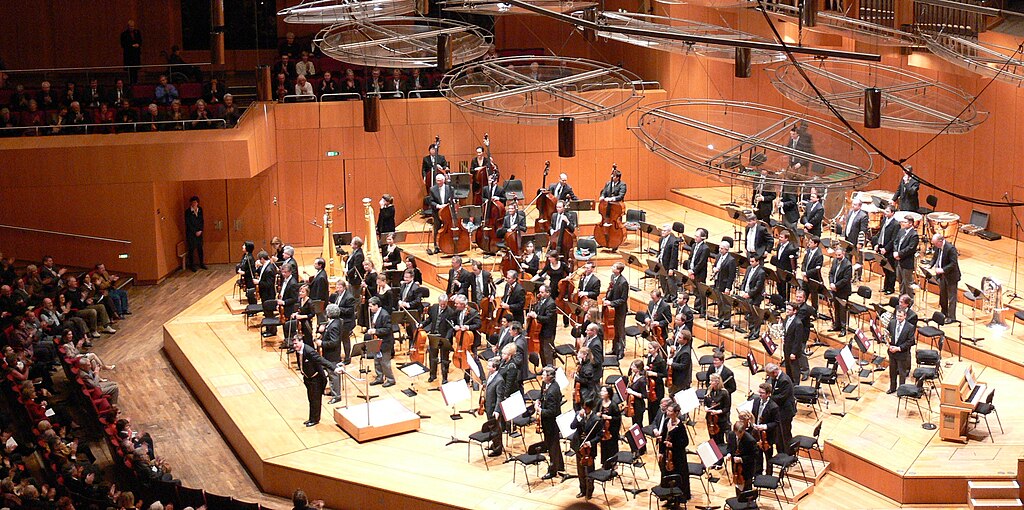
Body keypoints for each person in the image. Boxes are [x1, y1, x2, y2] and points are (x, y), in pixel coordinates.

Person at [294, 336, 340, 427]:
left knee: (315, 400)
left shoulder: (309, 351)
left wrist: (334, 368)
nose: (294, 346)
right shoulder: (298, 350)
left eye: (296, 343)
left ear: (301, 341)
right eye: (294, 344)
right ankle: (311, 418)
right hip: (308, 378)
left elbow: (321, 360)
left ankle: (315, 419)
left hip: (316, 379)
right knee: (311, 399)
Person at [656, 401, 690, 505]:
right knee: (666, 474)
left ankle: (677, 500)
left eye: (670, 411)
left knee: (677, 476)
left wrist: (673, 445)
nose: (667, 412)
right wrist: (660, 452)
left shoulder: (680, 426)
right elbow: (662, 437)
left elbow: (685, 442)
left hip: (677, 456)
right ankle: (668, 497)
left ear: (676, 413)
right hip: (667, 456)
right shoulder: (667, 421)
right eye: (668, 410)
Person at [569, 402, 601, 500]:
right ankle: (582, 490)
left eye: (585, 408)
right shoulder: (579, 415)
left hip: (589, 450)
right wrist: (578, 417)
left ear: (590, 408)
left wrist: (590, 442)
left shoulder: (596, 419)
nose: (583, 410)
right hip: (579, 447)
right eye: (583, 407)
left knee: (589, 472)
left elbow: (599, 435)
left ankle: (589, 491)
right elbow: (572, 426)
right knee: (581, 471)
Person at [538, 366, 564, 479]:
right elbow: (542, 395)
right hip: (547, 421)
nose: (542, 376)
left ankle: (553, 470)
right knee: (554, 444)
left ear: (550, 377)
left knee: (552, 446)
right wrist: (539, 401)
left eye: (544, 375)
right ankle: (560, 465)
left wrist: (540, 411)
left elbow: (552, 411)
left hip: (552, 423)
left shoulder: (553, 390)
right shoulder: (546, 384)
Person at [749, 382, 780, 475]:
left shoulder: (774, 406)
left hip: (767, 436)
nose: (760, 394)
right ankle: (758, 475)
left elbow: (776, 422)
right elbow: (753, 414)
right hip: (757, 434)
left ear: (768, 394)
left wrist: (764, 426)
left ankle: (768, 475)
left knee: (768, 457)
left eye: (762, 393)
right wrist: (752, 423)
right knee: (758, 456)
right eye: (759, 392)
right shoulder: (756, 401)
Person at [421, 294, 453, 382]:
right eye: (441, 304)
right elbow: (430, 319)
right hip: (434, 336)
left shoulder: (450, 312)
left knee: (444, 359)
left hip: (444, 338)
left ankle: (444, 378)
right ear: (438, 302)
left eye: (444, 304)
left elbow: (451, 328)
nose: (442, 306)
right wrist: (422, 324)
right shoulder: (434, 307)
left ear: (447, 302)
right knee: (433, 357)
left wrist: (447, 338)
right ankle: (432, 375)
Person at [765, 363, 796, 455]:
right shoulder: (776, 377)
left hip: (786, 412)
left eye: (769, 374)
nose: (769, 376)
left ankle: (788, 454)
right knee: (779, 434)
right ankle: (781, 452)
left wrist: (769, 397)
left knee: (785, 434)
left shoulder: (784, 380)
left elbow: (781, 397)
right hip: (780, 410)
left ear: (774, 372)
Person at [365, 297, 395, 387]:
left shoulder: (384, 315)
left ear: (376, 305)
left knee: (385, 362)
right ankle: (379, 377)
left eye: (371, 306)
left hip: (385, 342)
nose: (369, 308)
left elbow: (388, 329)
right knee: (377, 360)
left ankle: (390, 379)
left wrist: (375, 331)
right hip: (376, 341)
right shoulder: (374, 314)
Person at [930, 233, 961, 322]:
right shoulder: (938, 247)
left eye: (935, 243)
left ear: (940, 241)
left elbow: (953, 263)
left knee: (951, 298)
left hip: (951, 276)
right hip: (942, 276)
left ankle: (951, 317)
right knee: (943, 296)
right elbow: (935, 257)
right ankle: (944, 313)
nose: (934, 245)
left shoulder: (951, 249)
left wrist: (943, 270)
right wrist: (930, 265)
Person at [319, 304, 344, 404]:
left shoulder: (334, 325)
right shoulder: (337, 321)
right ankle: (333, 390)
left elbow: (334, 342)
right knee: (331, 374)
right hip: (331, 353)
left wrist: (322, 343)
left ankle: (336, 396)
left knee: (333, 375)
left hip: (332, 354)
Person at [886, 308, 916, 394]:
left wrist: (898, 348)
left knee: (902, 373)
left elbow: (910, 341)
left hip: (902, 353)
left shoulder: (910, 327)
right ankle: (892, 388)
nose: (898, 318)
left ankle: (901, 390)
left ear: (905, 316)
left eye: (900, 316)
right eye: (897, 316)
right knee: (892, 372)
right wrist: (888, 344)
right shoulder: (892, 322)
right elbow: (887, 334)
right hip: (892, 352)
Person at [603, 262, 630, 358]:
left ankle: (621, 351)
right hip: (612, 310)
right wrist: (606, 298)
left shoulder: (623, 282)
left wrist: (611, 303)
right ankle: (614, 349)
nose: (612, 267)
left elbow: (623, 299)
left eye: (614, 267)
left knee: (620, 330)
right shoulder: (612, 277)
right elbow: (611, 291)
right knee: (614, 329)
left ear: (618, 270)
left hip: (620, 310)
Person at [736, 256, 766, 341]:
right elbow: (744, 281)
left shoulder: (761, 272)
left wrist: (749, 294)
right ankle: (751, 331)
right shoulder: (749, 268)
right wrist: (742, 290)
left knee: (755, 316)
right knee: (748, 315)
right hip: (746, 295)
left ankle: (755, 333)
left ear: (757, 262)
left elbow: (758, 287)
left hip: (755, 297)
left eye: (753, 261)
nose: (751, 263)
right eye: (750, 261)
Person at [328, 279, 357, 362]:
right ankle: (338, 357)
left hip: (347, 321)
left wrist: (338, 309)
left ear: (344, 287)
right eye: (337, 287)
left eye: (340, 287)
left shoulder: (349, 297)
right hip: (339, 321)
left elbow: (350, 311)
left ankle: (347, 358)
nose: (338, 289)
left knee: (345, 340)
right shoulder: (337, 294)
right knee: (338, 339)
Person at [874, 205, 900, 295]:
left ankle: (890, 288)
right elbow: (880, 233)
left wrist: (886, 248)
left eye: (888, 211)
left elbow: (894, 239)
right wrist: (877, 244)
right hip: (882, 248)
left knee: (891, 270)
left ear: (892, 213)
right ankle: (885, 287)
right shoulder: (884, 220)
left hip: (889, 250)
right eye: (885, 211)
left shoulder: (896, 224)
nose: (885, 212)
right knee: (885, 269)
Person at [427, 173, 454, 254]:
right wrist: (438, 206)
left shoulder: (450, 188)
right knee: (437, 229)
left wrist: (448, 204)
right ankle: (436, 246)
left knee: (448, 228)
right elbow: (431, 201)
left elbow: (453, 199)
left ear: (444, 180)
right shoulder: (432, 189)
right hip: (437, 212)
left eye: (440, 180)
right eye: (437, 180)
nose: (438, 182)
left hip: (447, 212)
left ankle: (448, 244)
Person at [712, 241, 737, 328]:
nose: (720, 250)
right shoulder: (718, 256)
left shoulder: (731, 260)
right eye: (719, 248)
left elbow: (731, 275)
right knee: (719, 303)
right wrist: (714, 269)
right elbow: (715, 266)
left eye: (722, 248)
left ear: (726, 249)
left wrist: (728, 288)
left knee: (726, 304)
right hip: (717, 282)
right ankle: (720, 319)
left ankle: (726, 322)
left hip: (725, 284)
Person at [894, 216, 919, 299]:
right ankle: (902, 299)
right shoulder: (901, 231)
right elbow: (896, 242)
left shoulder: (914, 235)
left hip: (907, 262)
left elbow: (910, 248)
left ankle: (910, 300)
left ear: (910, 223)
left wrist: (899, 254)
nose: (903, 223)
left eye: (905, 222)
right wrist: (895, 252)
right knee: (900, 281)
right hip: (899, 260)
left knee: (908, 283)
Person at [829, 246, 853, 336]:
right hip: (834, 289)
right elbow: (831, 273)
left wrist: (836, 286)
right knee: (836, 308)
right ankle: (837, 325)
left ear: (843, 254)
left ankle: (844, 328)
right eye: (836, 255)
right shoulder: (835, 261)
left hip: (843, 290)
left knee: (843, 310)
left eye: (839, 255)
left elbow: (846, 279)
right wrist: (831, 283)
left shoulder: (848, 264)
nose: (837, 257)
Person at [686, 228, 710, 316]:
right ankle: (697, 308)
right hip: (692, 271)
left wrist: (693, 272)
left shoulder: (705, 248)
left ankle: (703, 311)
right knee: (696, 291)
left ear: (702, 238)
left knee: (701, 292)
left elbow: (701, 263)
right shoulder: (694, 245)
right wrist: (689, 269)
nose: (695, 238)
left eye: (697, 236)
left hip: (700, 273)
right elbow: (690, 258)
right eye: (695, 236)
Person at [704, 373, 731, 446]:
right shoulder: (709, 389)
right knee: (711, 437)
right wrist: (706, 407)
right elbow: (705, 402)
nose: (710, 382)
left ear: (717, 382)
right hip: (710, 419)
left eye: (711, 381)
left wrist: (717, 412)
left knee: (719, 439)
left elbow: (727, 408)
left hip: (720, 420)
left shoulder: (724, 393)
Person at [772, 230, 799, 300]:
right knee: (779, 287)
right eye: (779, 237)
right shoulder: (779, 245)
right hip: (779, 270)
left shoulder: (791, 249)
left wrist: (793, 271)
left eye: (781, 237)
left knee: (785, 290)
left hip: (786, 272)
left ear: (786, 238)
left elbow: (793, 261)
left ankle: (785, 303)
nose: (779, 238)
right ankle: (780, 302)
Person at [656, 224, 680, 302]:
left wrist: (671, 268)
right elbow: (660, 251)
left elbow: (674, 256)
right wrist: (657, 257)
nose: (662, 232)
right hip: (661, 263)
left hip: (669, 265)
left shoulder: (674, 241)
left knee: (671, 283)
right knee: (663, 281)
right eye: (662, 230)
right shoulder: (661, 239)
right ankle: (666, 297)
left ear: (669, 232)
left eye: (664, 231)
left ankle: (674, 299)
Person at [184, 196, 205, 271]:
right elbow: (188, 223)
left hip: (199, 233)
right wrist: (195, 231)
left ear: (197, 203)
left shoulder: (200, 210)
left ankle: (202, 263)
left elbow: (202, 221)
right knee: (191, 249)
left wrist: (200, 230)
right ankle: (191, 265)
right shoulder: (188, 212)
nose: (194, 204)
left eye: (195, 202)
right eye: (192, 202)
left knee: (200, 248)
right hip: (191, 234)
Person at [668, 329, 692, 394]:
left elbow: (683, 366)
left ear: (685, 340)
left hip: (680, 381)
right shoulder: (681, 346)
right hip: (676, 378)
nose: (677, 339)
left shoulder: (685, 352)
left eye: (679, 338)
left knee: (674, 396)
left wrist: (671, 364)